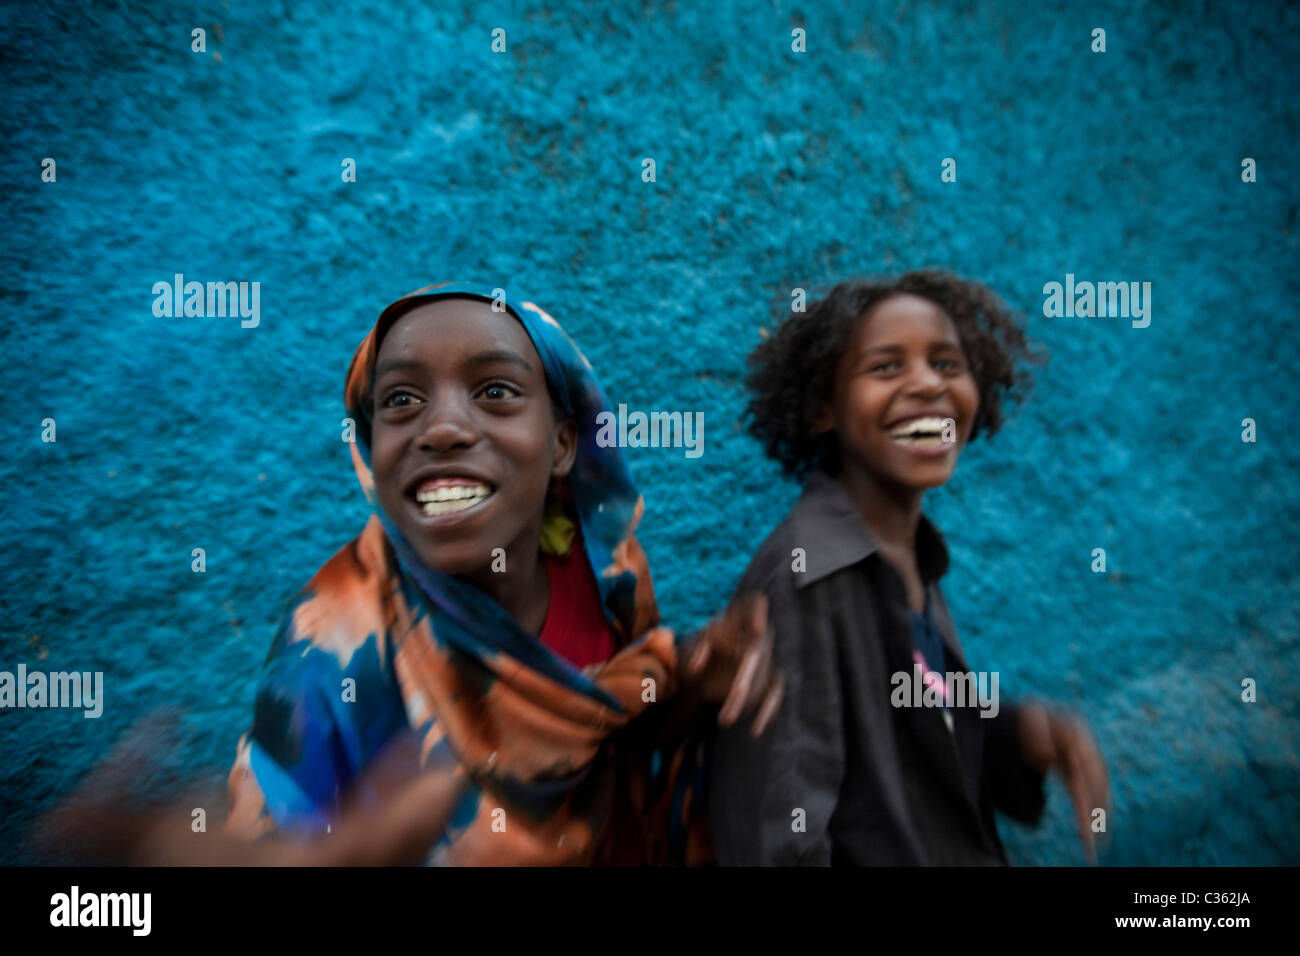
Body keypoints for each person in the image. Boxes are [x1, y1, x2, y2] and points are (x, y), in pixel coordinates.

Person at [215, 282, 784, 865]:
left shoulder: (605, 571)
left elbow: (618, 735)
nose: (442, 429)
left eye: (494, 390)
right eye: (402, 400)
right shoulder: (331, 641)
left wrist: (695, 679)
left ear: (562, 443)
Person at [708, 270, 1110, 866]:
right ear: (824, 407)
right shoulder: (804, 578)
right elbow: (781, 837)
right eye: (885, 367)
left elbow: (913, 734)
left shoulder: (911, 558)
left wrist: (1022, 735)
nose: (927, 384)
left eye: (947, 364)